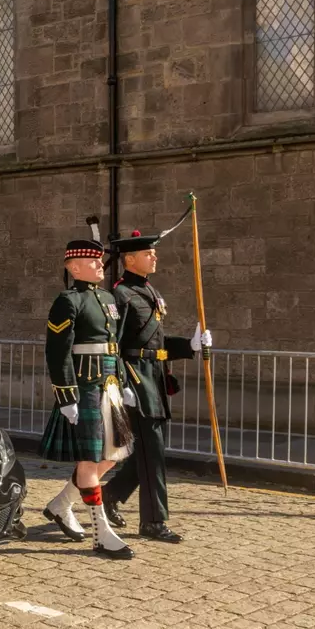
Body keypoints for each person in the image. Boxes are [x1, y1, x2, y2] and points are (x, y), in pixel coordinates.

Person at [101, 224, 213, 543]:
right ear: (130, 259)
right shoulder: (119, 296)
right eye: (148, 253)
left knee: (148, 453)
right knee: (154, 454)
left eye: (154, 252)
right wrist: (120, 383)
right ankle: (152, 521)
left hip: (155, 378)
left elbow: (156, 342)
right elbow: (113, 345)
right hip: (136, 381)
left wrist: (188, 345)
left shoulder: (149, 291)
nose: (155, 257)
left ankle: (110, 495)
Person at [39, 233, 135, 560]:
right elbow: (58, 352)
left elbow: (114, 345)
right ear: (74, 266)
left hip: (108, 385)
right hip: (84, 387)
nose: (100, 265)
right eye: (93, 262)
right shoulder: (68, 300)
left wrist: (123, 382)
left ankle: (61, 504)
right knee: (90, 461)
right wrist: (66, 395)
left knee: (114, 455)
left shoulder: (107, 298)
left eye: (100, 261)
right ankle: (101, 533)